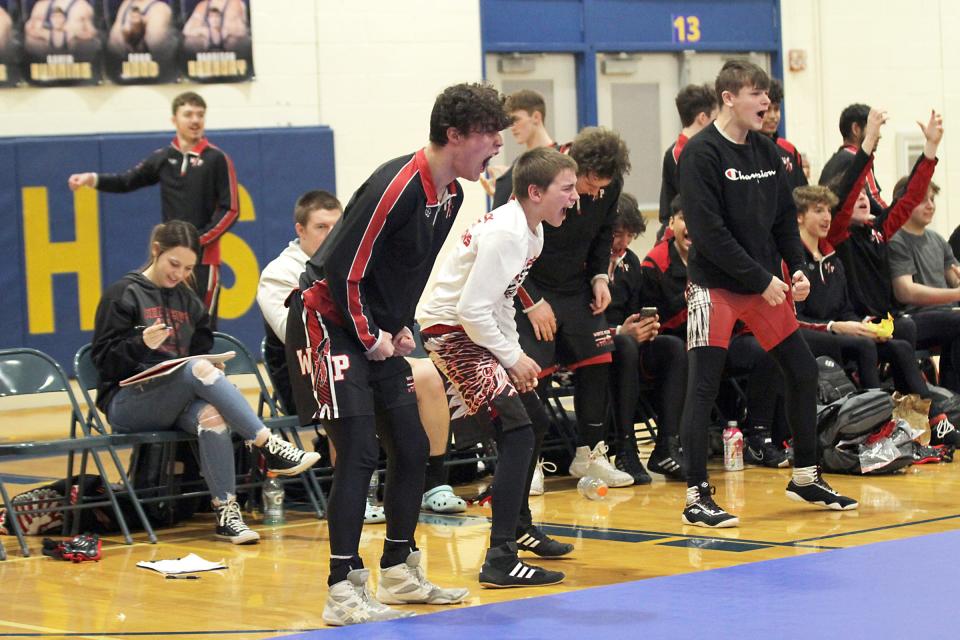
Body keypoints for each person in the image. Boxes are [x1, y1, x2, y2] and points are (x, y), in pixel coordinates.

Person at [288, 83, 510, 625]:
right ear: (455, 136)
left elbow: (405, 270)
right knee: (360, 451)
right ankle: (341, 587)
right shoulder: (396, 185)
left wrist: (400, 328)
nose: (498, 145)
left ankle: (398, 569)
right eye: (488, 134)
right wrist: (371, 336)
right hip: (327, 322)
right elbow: (345, 273)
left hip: (372, 327)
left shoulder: (453, 195)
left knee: (412, 445)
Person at [676, 60, 858, 528]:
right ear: (729, 97)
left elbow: (783, 221)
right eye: (756, 94)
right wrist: (762, 279)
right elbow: (710, 235)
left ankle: (805, 475)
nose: (766, 104)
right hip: (715, 285)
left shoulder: (769, 152)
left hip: (763, 285)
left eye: (769, 96)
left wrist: (797, 269)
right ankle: (696, 495)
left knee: (800, 370)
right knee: (703, 386)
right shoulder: (700, 154)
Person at [90, 221, 320, 545]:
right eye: (173, 264)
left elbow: (199, 350)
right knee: (197, 369)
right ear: (156, 250)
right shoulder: (123, 294)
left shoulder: (188, 299)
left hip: (177, 397)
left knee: (211, 414)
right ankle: (268, 444)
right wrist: (141, 343)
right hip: (127, 401)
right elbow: (102, 361)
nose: (179, 274)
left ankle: (227, 514)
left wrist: (211, 365)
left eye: (187, 267)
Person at [419, 146, 578, 587]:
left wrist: (512, 354)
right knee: (517, 429)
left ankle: (519, 527)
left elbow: (500, 302)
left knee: (535, 419)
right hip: (450, 330)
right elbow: (471, 310)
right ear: (534, 191)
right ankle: (499, 557)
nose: (574, 197)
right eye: (566, 189)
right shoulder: (508, 233)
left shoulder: (532, 230)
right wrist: (510, 356)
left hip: (475, 328)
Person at [255, 190, 462, 520]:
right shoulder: (278, 273)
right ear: (300, 230)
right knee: (344, 380)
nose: (331, 234)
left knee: (426, 373)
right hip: (310, 369)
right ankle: (361, 492)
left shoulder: (354, 258)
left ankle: (433, 483)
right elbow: (297, 333)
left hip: (364, 352)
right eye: (321, 227)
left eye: (337, 226)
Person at [514, 126, 634, 491]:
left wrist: (599, 276)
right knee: (538, 370)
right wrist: (533, 303)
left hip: (575, 287)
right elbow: (509, 248)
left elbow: (602, 234)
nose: (597, 193)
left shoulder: (606, 187)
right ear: (575, 168)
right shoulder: (540, 177)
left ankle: (590, 455)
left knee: (598, 361)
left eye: (604, 186)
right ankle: (529, 461)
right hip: (531, 286)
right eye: (591, 184)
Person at [643, 196, 789, 470]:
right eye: (684, 218)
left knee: (768, 348)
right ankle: (671, 445)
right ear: (671, 223)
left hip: (722, 336)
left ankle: (758, 437)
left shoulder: (719, 255)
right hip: (680, 342)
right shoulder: (654, 264)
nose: (691, 226)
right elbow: (655, 318)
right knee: (681, 355)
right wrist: (689, 301)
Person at [68, 92, 238, 325]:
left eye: (200, 114)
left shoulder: (217, 159)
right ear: (174, 120)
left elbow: (232, 210)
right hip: (168, 259)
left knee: (203, 326)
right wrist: (92, 179)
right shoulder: (162, 158)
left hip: (203, 261)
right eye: (188, 114)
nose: (195, 120)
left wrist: (198, 242)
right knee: (170, 324)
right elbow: (127, 180)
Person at [606, 193, 685, 484]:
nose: (623, 242)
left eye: (629, 235)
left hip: (627, 342)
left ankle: (667, 445)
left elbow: (634, 311)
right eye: (617, 234)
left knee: (673, 347)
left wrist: (647, 327)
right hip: (595, 343)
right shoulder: (587, 262)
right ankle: (626, 449)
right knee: (625, 344)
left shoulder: (632, 262)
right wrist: (619, 331)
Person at [658, 83, 718, 239]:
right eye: (715, 120)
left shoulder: (709, 149)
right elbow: (669, 207)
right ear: (703, 118)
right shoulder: (679, 155)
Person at [490, 89, 557, 209]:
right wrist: (503, 189)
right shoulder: (518, 164)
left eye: (516, 120)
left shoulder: (560, 160)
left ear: (536, 117)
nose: (512, 127)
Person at [819, 103, 887, 217]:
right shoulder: (859, 160)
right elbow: (875, 200)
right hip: (851, 231)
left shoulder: (830, 163)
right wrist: (899, 222)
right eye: (874, 129)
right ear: (856, 129)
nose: (879, 135)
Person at [761, 79, 807, 190]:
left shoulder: (790, 150)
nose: (773, 116)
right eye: (767, 110)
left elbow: (803, 193)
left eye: (776, 109)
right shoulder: (746, 149)